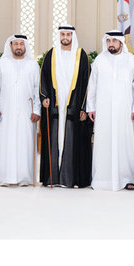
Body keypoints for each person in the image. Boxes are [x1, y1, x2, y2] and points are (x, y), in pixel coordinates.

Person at [86, 31, 134, 191]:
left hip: (125, 111)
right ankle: (101, 179)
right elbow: (92, 86)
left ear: (121, 42)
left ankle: (128, 179)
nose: (111, 44)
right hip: (103, 110)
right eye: (108, 41)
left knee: (125, 144)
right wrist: (91, 107)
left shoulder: (131, 60)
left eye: (114, 41)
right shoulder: (99, 60)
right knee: (103, 143)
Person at [39, 25, 93, 188]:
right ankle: (53, 177)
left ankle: (72, 178)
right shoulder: (51, 55)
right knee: (54, 139)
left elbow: (88, 84)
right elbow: (43, 79)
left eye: (68, 34)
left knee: (73, 140)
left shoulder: (81, 56)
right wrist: (44, 97)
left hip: (74, 107)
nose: (65, 37)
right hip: (55, 107)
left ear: (72, 36)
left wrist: (84, 108)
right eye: (63, 34)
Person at [0, 34, 41, 186]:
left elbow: (37, 90)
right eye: (15, 44)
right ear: (10, 46)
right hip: (5, 111)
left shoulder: (33, 65)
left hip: (27, 112)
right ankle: (6, 177)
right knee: (6, 142)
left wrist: (37, 110)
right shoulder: (1, 64)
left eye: (21, 44)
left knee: (25, 143)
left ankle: (25, 177)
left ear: (25, 46)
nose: (19, 47)